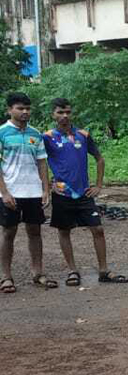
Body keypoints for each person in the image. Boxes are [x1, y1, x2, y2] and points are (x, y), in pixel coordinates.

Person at [44, 97, 126, 287]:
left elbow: (100, 159)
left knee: (98, 229)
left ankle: (104, 270)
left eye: (68, 112)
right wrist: (48, 185)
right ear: (53, 115)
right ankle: (72, 271)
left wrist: (98, 185)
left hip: (84, 192)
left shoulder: (83, 134)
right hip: (62, 193)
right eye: (60, 112)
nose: (65, 116)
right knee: (64, 231)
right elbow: (40, 162)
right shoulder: (47, 137)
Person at [0, 92, 52, 293]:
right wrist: (4, 192)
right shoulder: (2, 132)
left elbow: (42, 163)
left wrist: (45, 190)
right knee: (8, 232)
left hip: (33, 191)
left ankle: (38, 273)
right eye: (20, 108)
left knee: (35, 231)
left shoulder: (35, 134)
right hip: (11, 191)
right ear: (9, 110)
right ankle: (6, 277)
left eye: (28, 108)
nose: (25, 112)